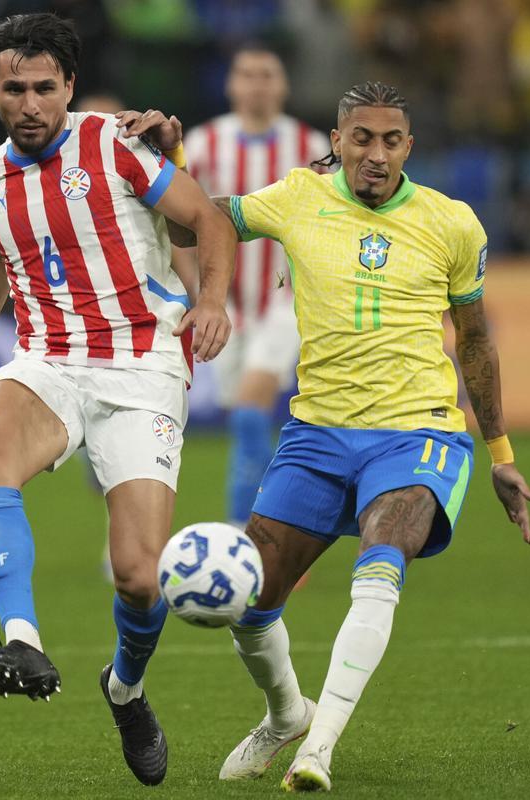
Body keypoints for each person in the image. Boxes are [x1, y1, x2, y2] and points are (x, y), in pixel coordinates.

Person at [143, 81, 530, 792]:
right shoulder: (298, 196)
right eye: (362, 138)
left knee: (381, 564)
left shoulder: (453, 224)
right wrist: (172, 158)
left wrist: (501, 454)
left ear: (409, 148)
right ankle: (288, 715)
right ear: (337, 141)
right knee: (251, 600)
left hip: (418, 433)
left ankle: (317, 750)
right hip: (318, 431)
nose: (377, 154)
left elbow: (475, 343)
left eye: (391, 141)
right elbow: (194, 225)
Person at [0, 14, 235, 787]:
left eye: (45, 88)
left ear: (68, 87)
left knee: (140, 576)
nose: (31, 103)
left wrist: (212, 302)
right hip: (49, 360)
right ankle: (23, 639)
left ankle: (125, 690)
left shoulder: (115, 144)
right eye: (15, 89)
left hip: (142, 365)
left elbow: (207, 218)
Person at [180, 43, 329, 530]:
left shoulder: (310, 149)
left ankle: (251, 536)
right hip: (224, 304)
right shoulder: (202, 146)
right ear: (231, 85)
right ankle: (276, 528)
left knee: (248, 412)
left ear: (283, 86)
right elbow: (178, 221)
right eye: (247, 74)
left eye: (268, 75)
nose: (257, 84)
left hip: (286, 301)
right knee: (247, 421)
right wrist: (197, 291)